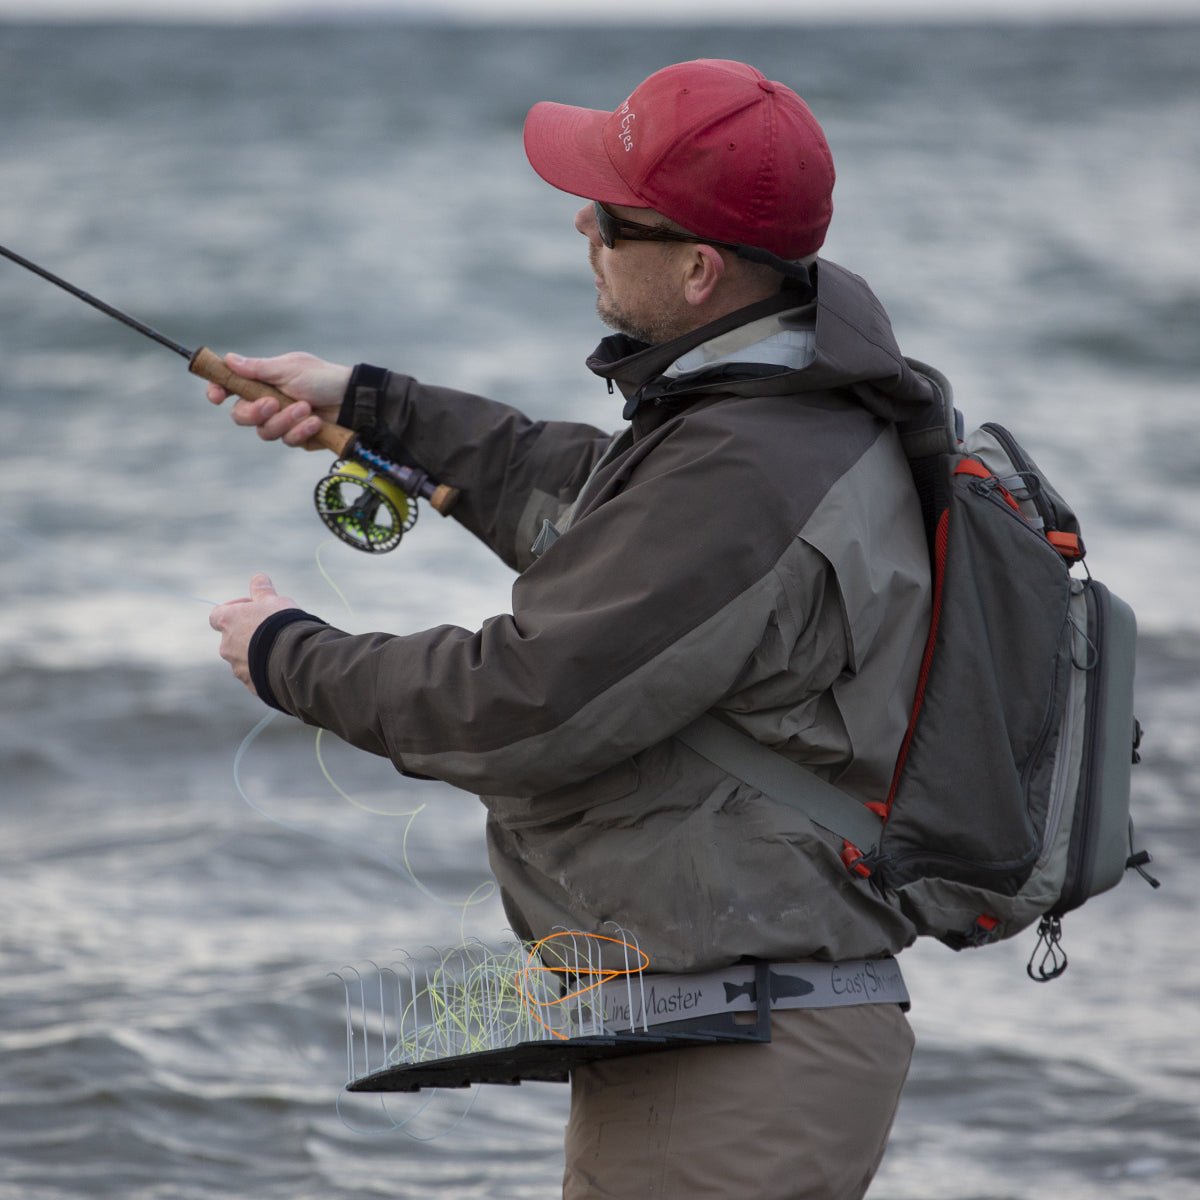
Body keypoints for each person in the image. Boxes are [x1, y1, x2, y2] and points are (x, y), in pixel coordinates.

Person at [209, 58, 937, 1200]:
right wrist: (375, 408)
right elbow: (601, 506)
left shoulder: (749, 467)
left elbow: (520, 705)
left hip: (751, 1055)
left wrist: (282, 653)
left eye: (611, 218)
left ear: (699, 269)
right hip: (730, 1024)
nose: (583, 228)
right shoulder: (786, 406)